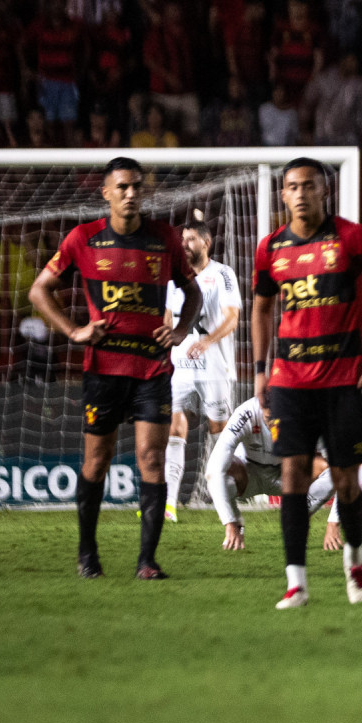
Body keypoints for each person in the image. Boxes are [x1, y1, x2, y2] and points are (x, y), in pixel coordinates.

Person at [28, 157, 202, 580]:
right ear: (105, 192)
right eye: (122, 187)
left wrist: (180, 332)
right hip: (104, 370)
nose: (130, 193)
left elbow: (192, 292)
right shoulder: (83, 239)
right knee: (97, 460)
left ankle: (147, 561)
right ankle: (87, 554)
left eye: (136, 187)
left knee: (152, 460)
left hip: (152, 370)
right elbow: (39, 290)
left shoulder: (164, 239)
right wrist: (73, 330)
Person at [250, 158, 362, 609]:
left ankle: (355, 559)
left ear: (325, 192)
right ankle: (296, 583)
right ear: (283, 195)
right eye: (292, 187)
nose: (300, 194)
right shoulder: (271, 249)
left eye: (309, 186)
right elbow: (261, 308)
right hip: (290, 383)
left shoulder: (353, 238)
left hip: (344, 381)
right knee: (292, 476)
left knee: (345, 484)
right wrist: (261, 370)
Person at [162, 216, 241, 523]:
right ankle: (169, 503)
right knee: (174, 427)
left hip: (214, 368)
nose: (185, 245)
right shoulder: (174, 277)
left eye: (191, 239)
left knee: (219, 432)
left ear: (206, 243)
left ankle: (233, 493)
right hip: (180, 367)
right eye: (182, 240)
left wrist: (208, 341)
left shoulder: (222, 274)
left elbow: (232, 318)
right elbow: (168, 317)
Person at [205, 396, 344, 552]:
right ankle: (238, 523)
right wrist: (229, 521)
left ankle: (298, 517)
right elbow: (214, 469)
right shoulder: (245, 413)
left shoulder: (307, 416)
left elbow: (343, 469)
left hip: (290, 476)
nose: (273, 423)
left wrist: (333, 522)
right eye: (268, 416)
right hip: (249, 475)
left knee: (332, 471)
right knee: (219, 475)